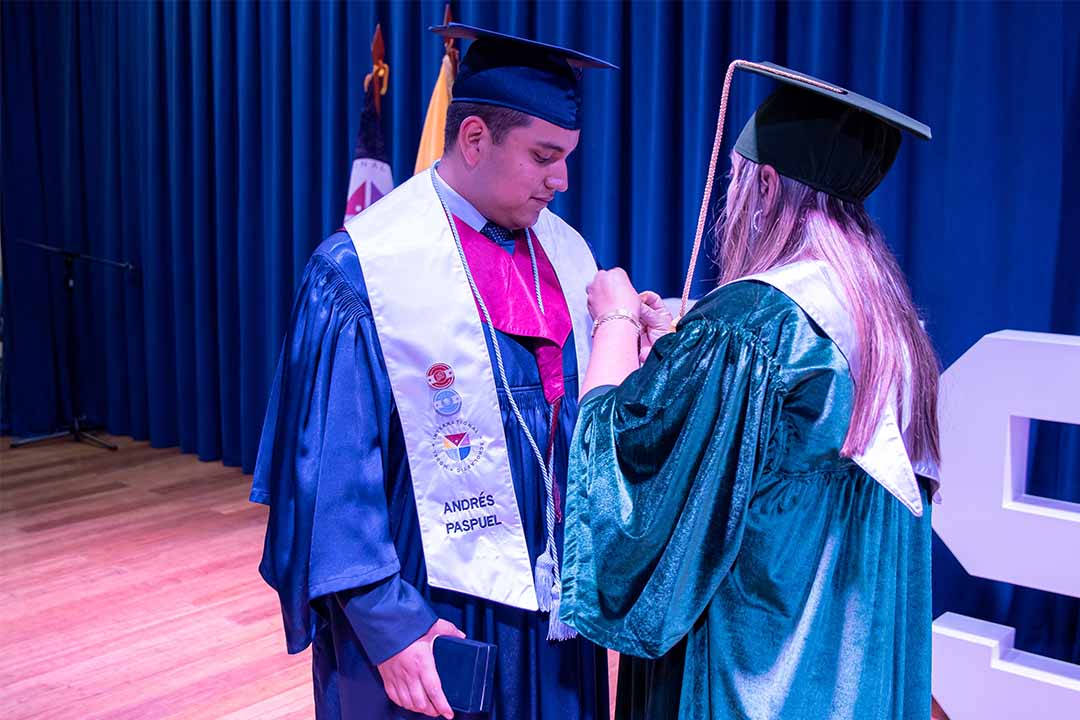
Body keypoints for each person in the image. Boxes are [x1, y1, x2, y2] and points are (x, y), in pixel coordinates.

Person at [251, 23, 614, 720]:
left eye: (567, 158)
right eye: (544, 156)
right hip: (432, 607)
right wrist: (387, 624)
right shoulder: (364, 270)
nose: (561, 180)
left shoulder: (567, 254)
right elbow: (331, 477)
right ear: (474, 138)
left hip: (554, 608)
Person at [558, 62, 940, 720]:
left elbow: (631, 490)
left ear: (765, 182)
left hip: (753, 671)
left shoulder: (752, 324)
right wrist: (678, 353)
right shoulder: (889, 324)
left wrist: (614, 321)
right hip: (843, 671)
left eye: (740, 181)